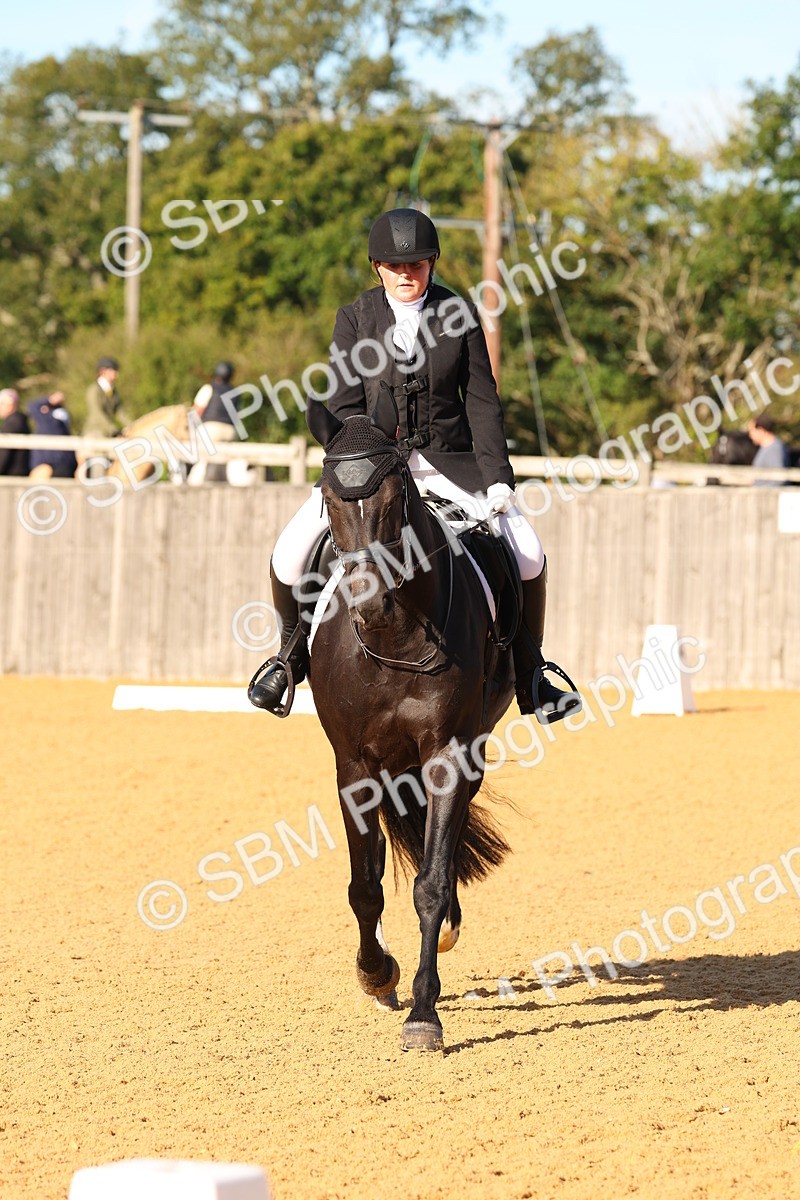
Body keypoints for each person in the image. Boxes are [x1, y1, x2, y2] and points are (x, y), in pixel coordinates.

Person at [250, 208, 582, 725]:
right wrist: (354, 470)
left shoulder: (461, 314)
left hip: (451, 467)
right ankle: (289, 658)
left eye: (419, 265)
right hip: (373, 470)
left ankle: (532, 673)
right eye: (395, 266)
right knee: (289, 554)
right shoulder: (355, 319)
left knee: (528, 553)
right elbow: (341, 405)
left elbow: (481, 402)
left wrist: (496, 480)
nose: (408, 275)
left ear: (432, 264)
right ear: (378, 267)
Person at [188, 361, 238, 484]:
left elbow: (196, 412)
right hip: (230, 431)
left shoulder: (208, 388)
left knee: (199, 455)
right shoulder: (235, 392)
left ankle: (191, 480)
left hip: (210, 430)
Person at [27, 392, 77, 478]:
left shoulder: (48, 420)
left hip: (56, 464)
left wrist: (49, 400)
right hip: (53, 464)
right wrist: (49, 400)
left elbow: (32, 406)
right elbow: (32, 406)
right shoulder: (50, 419)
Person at [84, 356, 130, 437]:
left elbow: (120, 412)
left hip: (109, 431)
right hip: (95, 431)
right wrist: (113, 430)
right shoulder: (94, 390)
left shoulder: (113, 391)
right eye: (113, 371)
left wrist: (132, 425)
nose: (116, 374)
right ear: (103, 371)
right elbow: (97, 413)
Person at [748, 414, 790, 485]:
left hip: (770, 495)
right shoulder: (766, 447)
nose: (750, 434)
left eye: (752, 430)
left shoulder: (774, 449)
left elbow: (778, 479)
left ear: (761, 430)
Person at [0, 388, 30, 476]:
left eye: (2, 404)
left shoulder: (13, 423)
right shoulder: (19, 420)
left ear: (11, 404)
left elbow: (4, 453)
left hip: (12, 472)